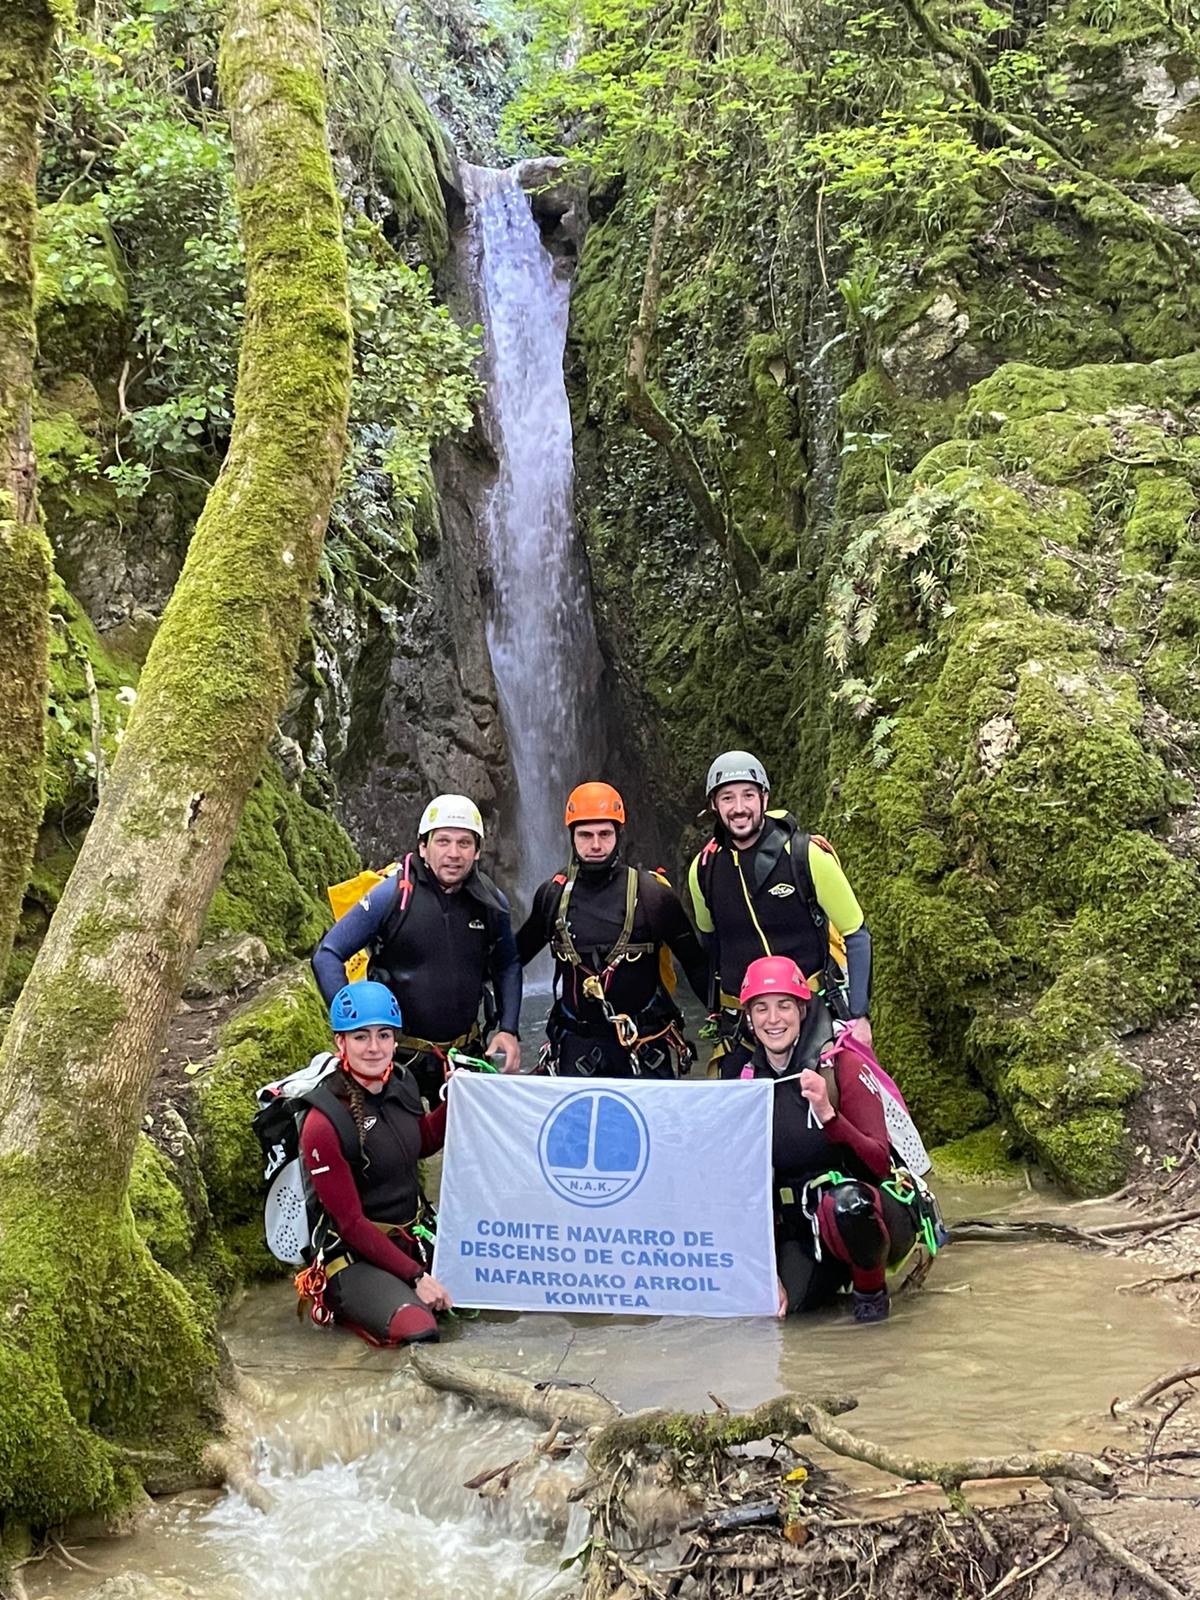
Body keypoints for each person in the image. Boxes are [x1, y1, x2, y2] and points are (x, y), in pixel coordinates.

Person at [738, 954, 919, 1323]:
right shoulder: (746, 1082)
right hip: (803, 1226)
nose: (773, 1020)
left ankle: (871, 1301)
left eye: (784, 1006)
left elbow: (878, 1164)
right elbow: (747, 1189)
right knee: (783, 1315)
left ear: (802, 1011)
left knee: (849, 1205)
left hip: (868, 1210)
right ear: (749, 1019)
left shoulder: (844, 1066)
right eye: (761, 1009)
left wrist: (828, 1115)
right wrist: (766, 1272)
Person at [312, 794, 521, 1102]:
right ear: (423, 846)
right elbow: (328, 954)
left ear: (477, 851)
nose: (453, 853)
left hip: (464, 1056)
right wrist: (353, 1025)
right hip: (400, 1058)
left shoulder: (491, 902)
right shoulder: (393, 895)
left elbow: (508, 964)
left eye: (464, 843)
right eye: (443, 841)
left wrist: (509, 1029)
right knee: (400, 1134)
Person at [688, 750, 871, 1073]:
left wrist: (859, 1016)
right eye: (727, 798)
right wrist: (717, 1010)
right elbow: (710, 945)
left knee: (823, 1100)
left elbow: (856, 934)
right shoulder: (704, 869)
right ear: (714, 805)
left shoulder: (805, 856)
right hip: (743, 1024)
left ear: (765, 798)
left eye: (748, 795)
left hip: (811, 1014)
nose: (739, 807)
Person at [298, 982, 454, 1345]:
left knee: (486, 1291)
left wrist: (458, 1101)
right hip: (355, 1258)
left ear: (395, 1041)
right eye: (361, 1036)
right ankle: (351, 1309)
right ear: (340, 1043)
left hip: (411, 1241)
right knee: (419, 1330)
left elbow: (420, 1143)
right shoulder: (323, 1123)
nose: (374, 1047)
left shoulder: (403, 1083)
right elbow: (350, 1223)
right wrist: (417, 1277)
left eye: (384, 1035)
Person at [517, 782, 709, 1078]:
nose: (595, 845)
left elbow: (696, 965)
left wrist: (725, 1017)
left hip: (642, 1045)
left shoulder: (653, 896)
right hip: (577, 1046)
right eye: (585, 835)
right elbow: (511, 960)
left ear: (618, 834)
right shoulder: (552, 897)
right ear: (572, 837)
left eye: (604, 834)